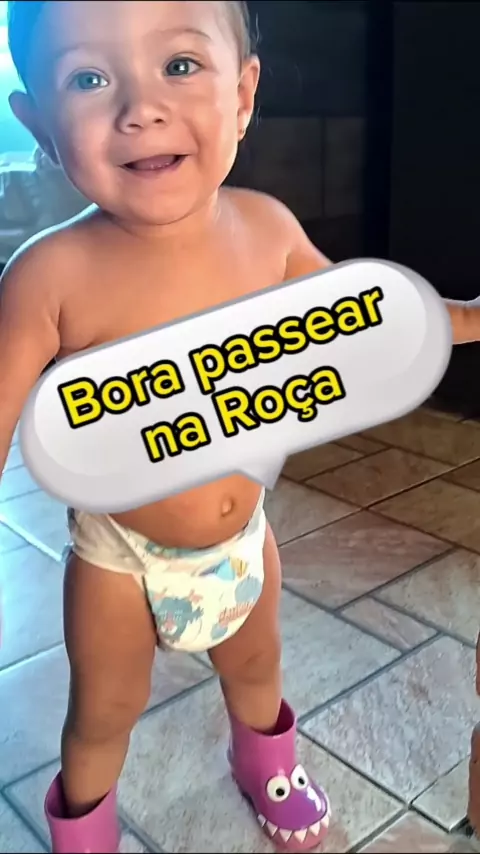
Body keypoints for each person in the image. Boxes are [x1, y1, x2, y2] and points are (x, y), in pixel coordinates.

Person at [1, 2, 480, 852]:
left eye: (179, 66)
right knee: (103, 711)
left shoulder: (267, 233)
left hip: (243, 540)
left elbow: (371, 316)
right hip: (121, 560)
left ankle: (266, 763)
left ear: (244, 94)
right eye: (89, 78)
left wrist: (470, 317)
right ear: (36, 121)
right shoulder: (49, 276)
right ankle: (85, 822)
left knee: (257, 670)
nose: (141, 108)